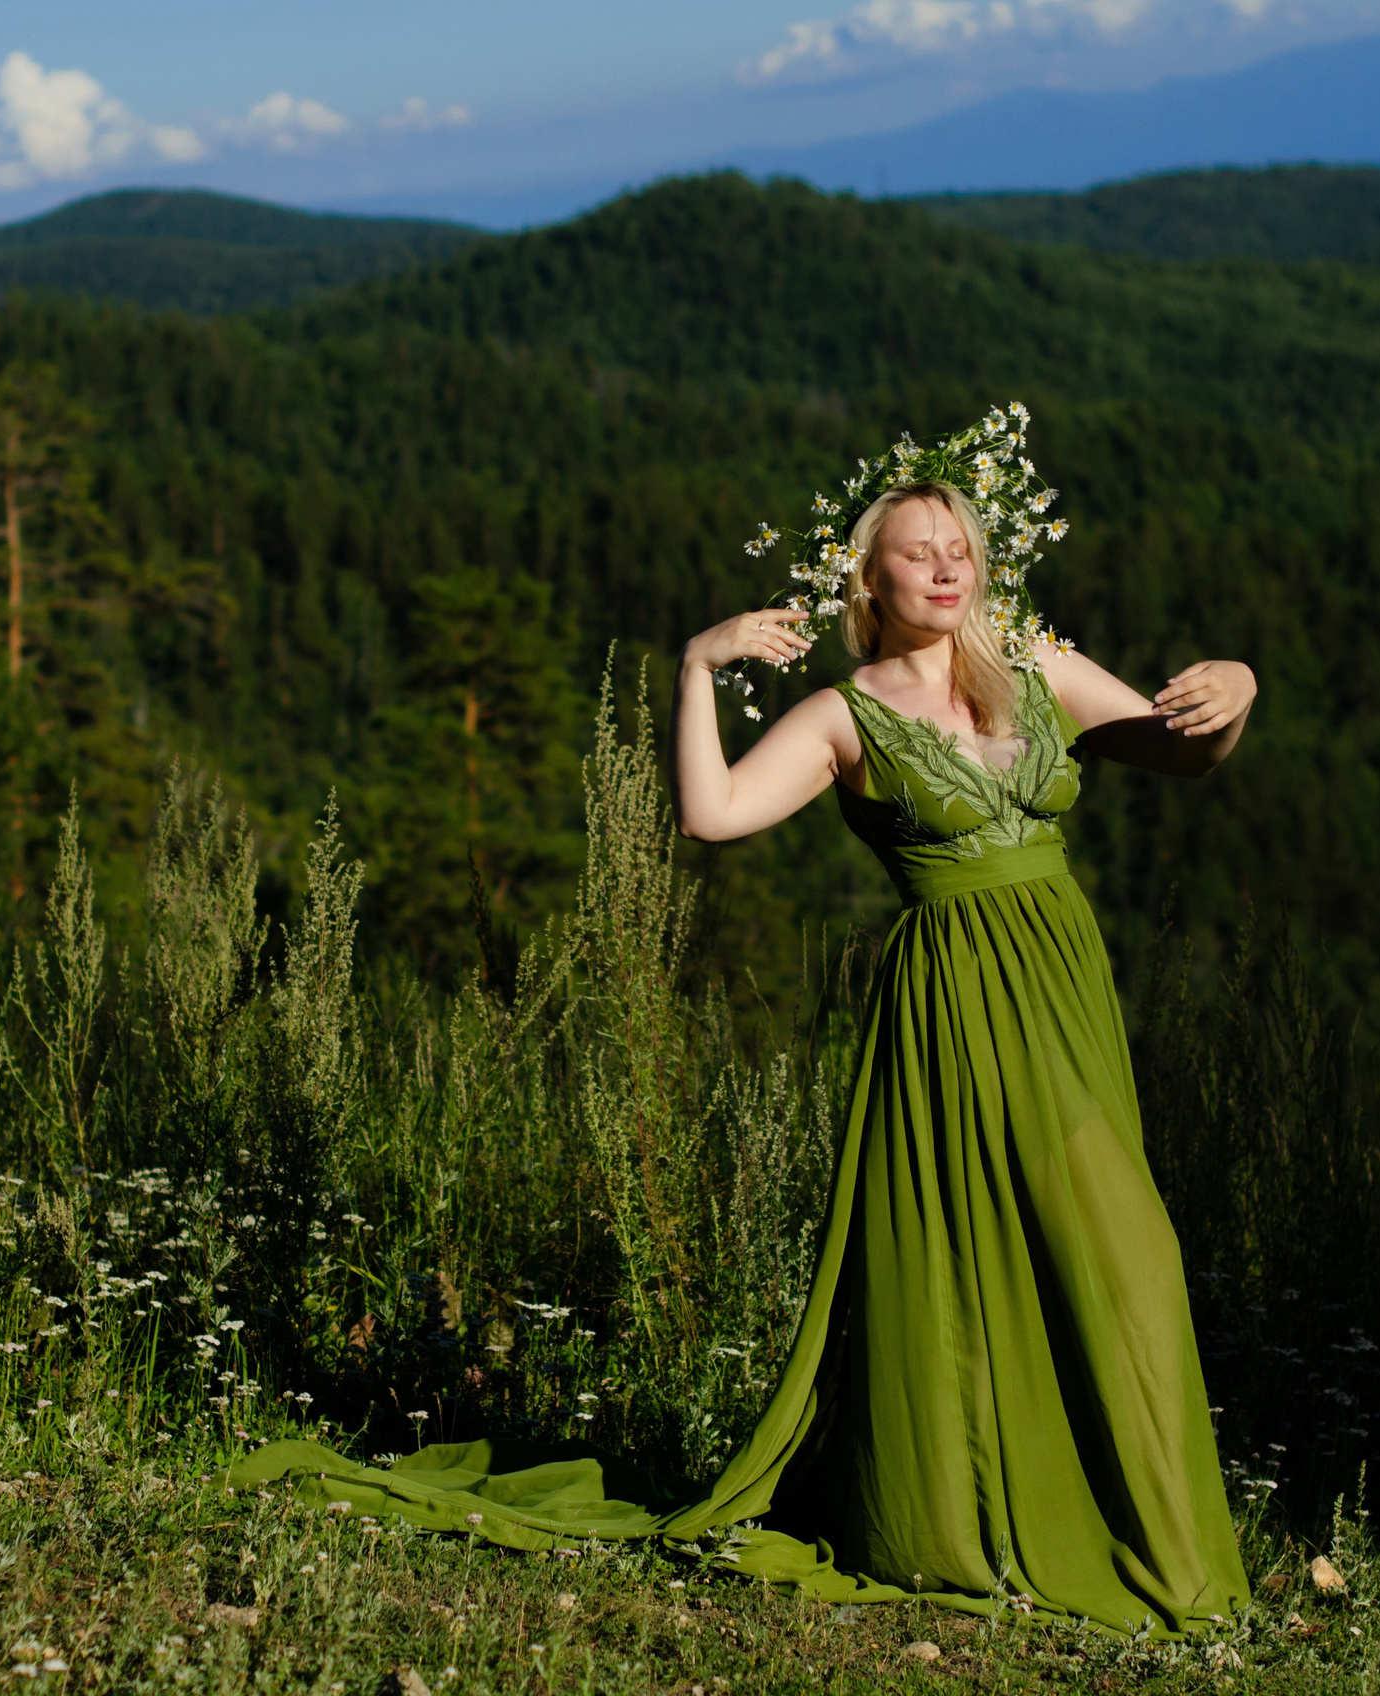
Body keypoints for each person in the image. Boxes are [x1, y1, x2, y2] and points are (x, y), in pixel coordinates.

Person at [226, 460, 1257, 1638]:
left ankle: (1157, 1544)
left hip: (1063, 990)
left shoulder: (1040, 667)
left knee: (1130, 1257)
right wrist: (696, 667)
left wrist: (1237, 684)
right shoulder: (845, 713)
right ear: (866, 578)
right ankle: (981, 1521)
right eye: (915, 550)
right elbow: (709, 814)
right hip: (953, 1005)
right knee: (969, 1258)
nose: (944, 566)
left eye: (958, 546)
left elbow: (1187, 750)